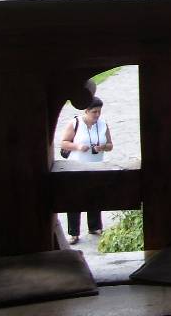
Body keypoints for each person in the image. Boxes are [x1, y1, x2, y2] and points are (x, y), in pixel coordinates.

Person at [60, 97, 113, 245]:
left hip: (96, 166)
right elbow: (63, 143)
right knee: (74, 200)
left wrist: (102, 147)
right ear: (86, 111)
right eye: (94, 112)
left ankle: (94, 227)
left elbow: (110, 145)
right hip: (76, 167)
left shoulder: (103, 124)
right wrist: (77, 146)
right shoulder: (75, 123)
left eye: (99, 112)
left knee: (94, 196)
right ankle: (73, 233)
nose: (97, 115)